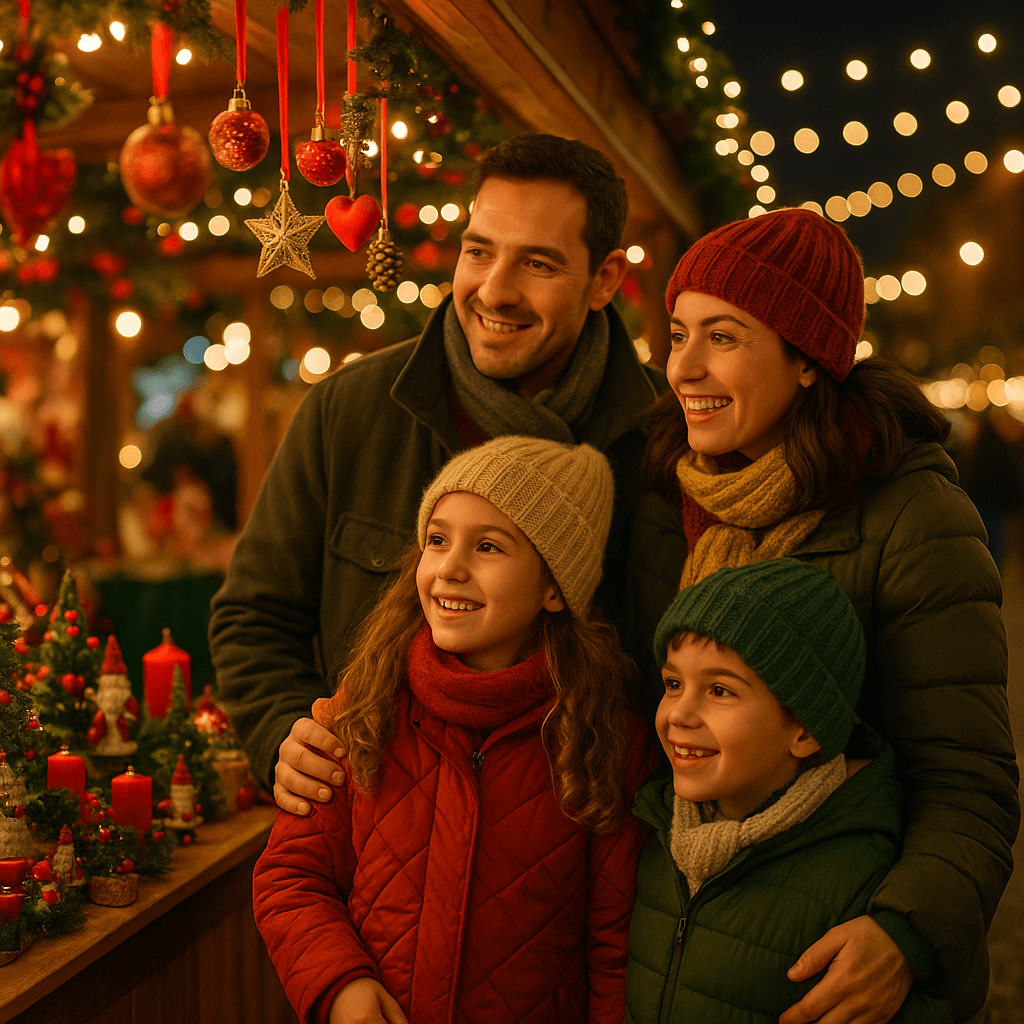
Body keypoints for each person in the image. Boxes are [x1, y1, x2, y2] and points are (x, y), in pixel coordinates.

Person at [208, 133, 684, 814]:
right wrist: (284, 732)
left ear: (604, 279)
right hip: (376, 847)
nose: (496, 290)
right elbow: (254, 614)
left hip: (589, 852)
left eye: (539, 264)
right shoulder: (351, 409)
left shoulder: (663, 439)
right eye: (479, 251)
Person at [643, 207, 1019, 1023]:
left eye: (726, 336)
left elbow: (968, 780)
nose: (686, 369)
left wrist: (903, 934)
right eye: (678, 334)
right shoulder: (676, 495)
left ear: (808, 359)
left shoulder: (913, 517)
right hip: (693, 943)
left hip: (832, 969)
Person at [251, 436, 650, 1024]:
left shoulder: (605, 746)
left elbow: (614, 951)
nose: (449, 569)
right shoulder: (362, 712)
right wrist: (341, 986)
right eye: (437, 539)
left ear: (553, 587)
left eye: (489, 546)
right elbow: (291, 875)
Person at [627, 558, 953, 1024]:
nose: (679, 713)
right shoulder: (656, 835)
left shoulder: (860, 881)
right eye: (674, 683)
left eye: (719, 690)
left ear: (804, 728)